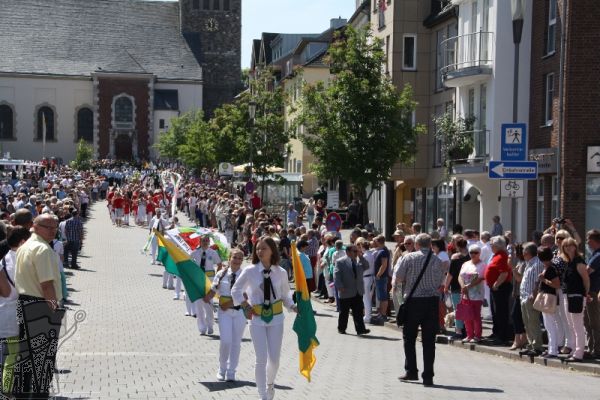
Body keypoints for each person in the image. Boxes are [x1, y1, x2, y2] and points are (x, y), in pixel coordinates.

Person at [230, 236, 297, 400]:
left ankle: (270, 383)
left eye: (264, 248)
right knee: (261, 358)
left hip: (276, 319)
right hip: (257, 319)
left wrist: (293, 307)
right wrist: (245, 305)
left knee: (274, 360)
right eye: (257, 248)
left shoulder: (281, 272)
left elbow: (285, 296)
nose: (260, 251)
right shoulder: (250, 270)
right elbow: (235, 290)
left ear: (272, 250)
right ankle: (262, 394)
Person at [13, 214, 65, 398]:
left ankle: (21, 394)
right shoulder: (42, 249)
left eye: (55, 227)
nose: (53, 231)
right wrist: (54, 310)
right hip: (41, 306)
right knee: (42, 360)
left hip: (25, 303)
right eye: (48, 227)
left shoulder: (25, 246)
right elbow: (47, 285)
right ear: (35, 226)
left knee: (25, 356)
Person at [396, 234, 445, 387]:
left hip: (413, 301)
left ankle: (411, 371)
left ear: (417, 244)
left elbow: (399, 277)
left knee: (409, 337)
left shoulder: (409, 258)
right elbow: (440, 281)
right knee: (429, 341)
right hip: (431, 301)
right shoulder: (437, 260)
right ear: (430, 245)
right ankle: (428, 376)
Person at [0, 226, 32, 391]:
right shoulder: (25, 260)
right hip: (17, 312)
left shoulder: (3, 260)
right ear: (22, 242)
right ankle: (7, 389)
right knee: (13, 355)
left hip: (4, 311)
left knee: (9, 353)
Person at [209, 249, 246, 382]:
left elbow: (247, 296)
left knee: (236, 343)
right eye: (235, 257)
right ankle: (222, 368)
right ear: (229, 258)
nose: (237, 261)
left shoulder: (245, 275)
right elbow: (212, 290)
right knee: (225, 341)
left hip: (239, 312)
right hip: (224, 313)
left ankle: (231, 371)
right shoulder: (221, 274)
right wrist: (203, 296)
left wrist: (230, 303)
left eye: (240, 258)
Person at [562, 237, 590, 362]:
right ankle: (574, 350)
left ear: (575, 247)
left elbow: (586, 280)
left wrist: (585, 294)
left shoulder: (579, 262)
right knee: (571, 325)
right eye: (565, 246)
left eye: (570, 245)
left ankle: (579, 353)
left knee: (577, 325)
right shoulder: (569, 262)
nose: (568, 248)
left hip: (577, 296)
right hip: (568, 296)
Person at [333, 244, 370, 335]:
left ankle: (360, 329)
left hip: (358, 291)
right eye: (354, 251)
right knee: (344, 312)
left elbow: (367, 266)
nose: (356, 253)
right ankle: (341, 328)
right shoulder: (340, 262)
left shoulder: (359, 261)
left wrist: (361, 256)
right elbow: (337, 275)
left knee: (358, 312)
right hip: (345, 290)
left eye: (357, 251)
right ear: (348, 252)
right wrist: (339, 286)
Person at [190, 235, 222, 335]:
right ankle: (202, 327)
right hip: (198, 280)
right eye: (203, 240)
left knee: (208, 303)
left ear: (209, 242)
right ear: (200, 242)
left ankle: (210, 325)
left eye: (207, 241)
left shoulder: (213, 253)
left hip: (209, 280)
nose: (205, 242)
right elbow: (189, 264)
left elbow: (219, 264)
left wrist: (217, 277)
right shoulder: (195, 252)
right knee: (199, 304)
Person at [484, 236, 513, 345]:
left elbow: (504, 273)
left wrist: (496, 284)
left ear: (497, 246)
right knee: (495, 312)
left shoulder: (502, 256)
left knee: (500, 312)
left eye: (491, 245)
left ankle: (502, 336)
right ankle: (496, 332)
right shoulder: (496, 255)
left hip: (501, 287)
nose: (490, 246)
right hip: (495, 288)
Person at [518, 243, 544, 356]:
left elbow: (538, 281)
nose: (522, 253)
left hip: (530, 297)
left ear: (527, 252)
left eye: (524, 251)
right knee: (527, 323)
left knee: (533, 322)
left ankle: (537, 346)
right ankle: (531, 344)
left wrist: (534, 294)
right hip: (524, 297)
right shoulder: (528, 263)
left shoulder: (537, 263)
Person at [458, 244, 486, 343]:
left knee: (476, 316)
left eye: (475, 252)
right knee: (466, 315)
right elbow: (460, 276)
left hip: (477, 294)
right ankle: (469, 335)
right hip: (465, 293)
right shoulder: (465, 264)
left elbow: (480, 278)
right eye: (471, 252)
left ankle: (477, 335)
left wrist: (468, 286)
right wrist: (463, 286)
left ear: (479, 253)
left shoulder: (482, 265)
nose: (473, 254)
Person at [538, 246, 561, 358]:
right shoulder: (548, 267)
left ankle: (553, 350)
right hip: (547, 296)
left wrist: (544, 280)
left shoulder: (551, 269)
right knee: (549, 325)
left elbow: (556, 284)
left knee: (550, 325)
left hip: (549, 297)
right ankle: (552, 348)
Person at [445, 238, 470, 339]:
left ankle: (459, 331)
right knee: (467, 309)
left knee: (458, 309)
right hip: (468, 286)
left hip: (456, 286)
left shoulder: (455, 257)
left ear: (457, 245)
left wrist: (446, 286)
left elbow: (450, 274)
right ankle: (467, 330)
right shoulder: (470, 256)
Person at [584, 229, 600, 359]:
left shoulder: (598, 255)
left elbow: (587, 271)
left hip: (593, 292)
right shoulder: (594, 254)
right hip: (589, 292)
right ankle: (591, 348)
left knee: (594, 322)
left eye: (588, 239)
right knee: (588, 322)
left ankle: (596, 350)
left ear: (593, 240)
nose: (587, 242)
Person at [372, 235, 390, 323]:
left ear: (378, 242)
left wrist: (378, 275)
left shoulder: (383, 251)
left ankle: (383, 314)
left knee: (383, 296)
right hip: (380, 277)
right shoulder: (381, 250)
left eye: (374, 241)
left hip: (382, 277)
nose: (373, 243)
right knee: (380, 296)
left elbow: (384, 265)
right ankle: (381, 314)